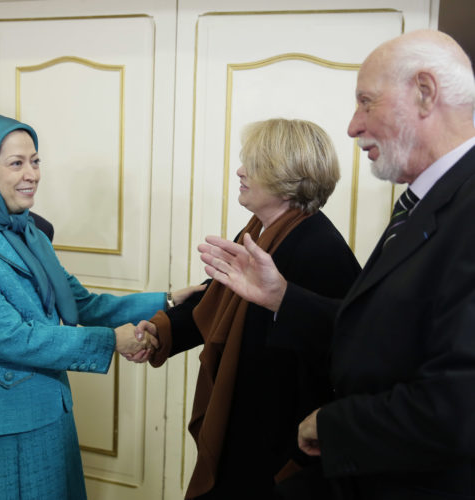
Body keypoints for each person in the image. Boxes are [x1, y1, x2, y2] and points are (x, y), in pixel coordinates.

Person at [197, 29, 475, 499]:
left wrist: (334, 425)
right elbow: (379, 331)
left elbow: (461, 400)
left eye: (366, 102)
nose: (351, 126)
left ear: (425, 93)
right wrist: (280, 297)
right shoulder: (423, 203)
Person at [130, 118, 361, 499]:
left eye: (253, 164)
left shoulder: (319, 249)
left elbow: (337, 355)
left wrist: (297, 463)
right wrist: (161, 331)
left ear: (287, 175)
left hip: (278, 450)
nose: (240, 171)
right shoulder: (260, 229)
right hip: (249, 430)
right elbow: (216, 303)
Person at [0, 114, 199, 500]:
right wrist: (111, 342)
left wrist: (167, 300)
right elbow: (14, 338)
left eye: (35, 160)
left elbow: (82, 303)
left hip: (50, 411)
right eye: (16, 163)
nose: (32, 173)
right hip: (3, 426)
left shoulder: (30, 231)